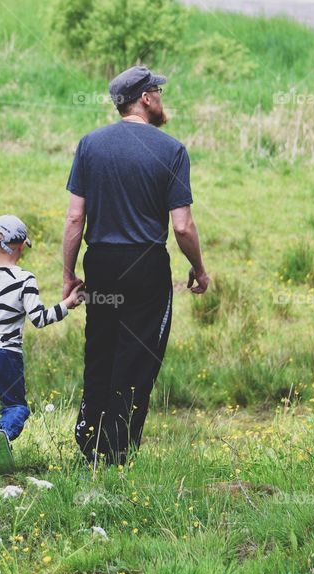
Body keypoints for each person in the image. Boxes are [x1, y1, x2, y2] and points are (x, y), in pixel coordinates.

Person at [62, 66, 210, 465]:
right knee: (138, 356)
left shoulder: (90, 145)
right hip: (146, 265)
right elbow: (181, 226)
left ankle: (89, 440)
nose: (162, 98)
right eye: (158, 91)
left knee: (101, 349)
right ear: (145, 98)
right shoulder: (172, 151)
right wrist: (198, 267)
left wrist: (68, 273)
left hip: (102, 263)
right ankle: (118, 450)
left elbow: (76, 218)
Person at [0, 215, 84, 474]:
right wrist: (67, 305)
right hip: (6, 353)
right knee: (16, 406)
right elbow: (38, 319)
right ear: (23, 244)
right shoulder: (25, 279)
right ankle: (4, 433)